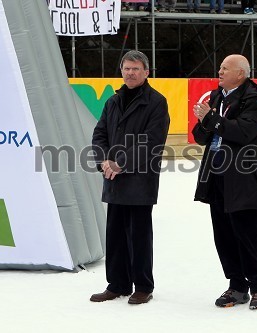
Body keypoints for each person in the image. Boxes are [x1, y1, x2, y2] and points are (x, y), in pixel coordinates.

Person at [192, 54, 257, 310]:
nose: (220, 71)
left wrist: (211, 120)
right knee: (223, 234)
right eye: (220, 67)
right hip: (216, 173)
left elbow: (243, 132)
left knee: (248, 233)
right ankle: (237, 285)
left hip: (245, 176)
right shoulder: (216, 97)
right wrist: (205, 121)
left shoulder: (254, 99)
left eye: (226, 68)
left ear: (241, 74)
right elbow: (201, 137)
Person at [90, 50, 170, 305]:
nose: (130, 73)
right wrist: (104, 161)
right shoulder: (113, 101)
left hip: (139, 180)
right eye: (126, 68)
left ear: (147, 72)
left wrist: (120, 163)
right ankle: (117, 284)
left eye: (136, 69)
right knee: (114, 236)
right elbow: (99, 134)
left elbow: (152, 142)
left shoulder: (157, 102)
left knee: (139, 237)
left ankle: (143, 286)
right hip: (113, 179)